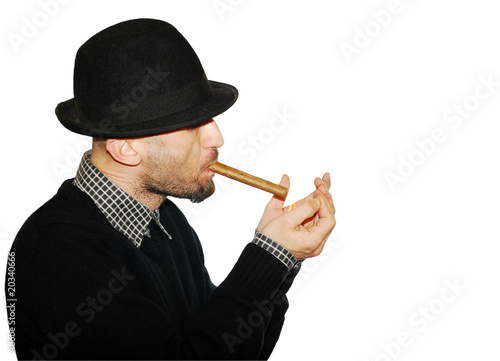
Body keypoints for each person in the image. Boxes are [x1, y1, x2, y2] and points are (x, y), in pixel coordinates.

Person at [6, 18, 336, 360]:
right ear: (127, 148)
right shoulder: (57, 250)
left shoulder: (166, 221)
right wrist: (268, 255)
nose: (217, 137)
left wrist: (280, 260)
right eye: (193, 124)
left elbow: (229, 348)